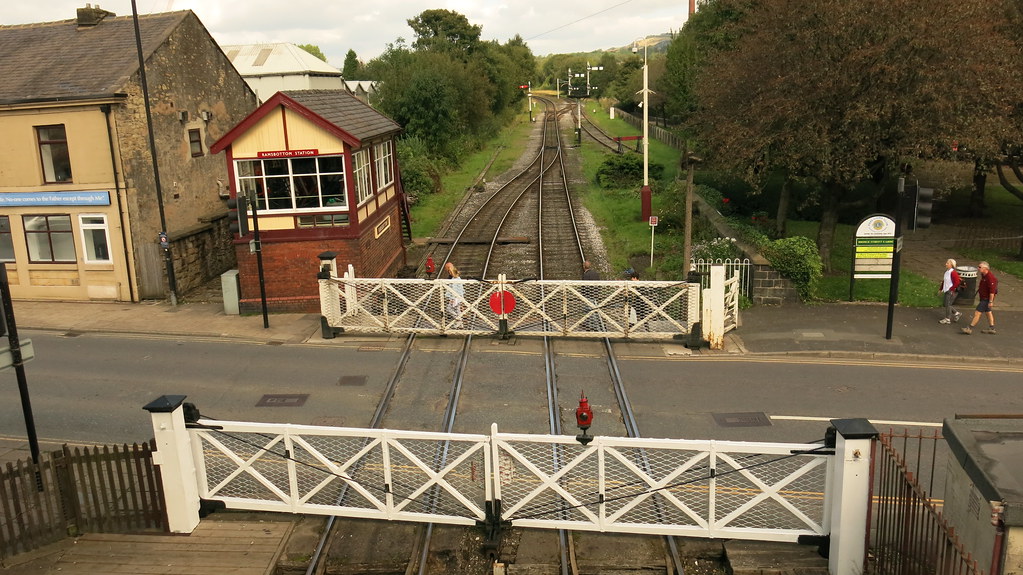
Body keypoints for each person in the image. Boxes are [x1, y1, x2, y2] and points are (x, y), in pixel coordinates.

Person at [962, 261, 998, 335]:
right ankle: (992, 328)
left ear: (985, 268)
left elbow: (992, 292)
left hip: (986, 299)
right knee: (988, 313)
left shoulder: (990, 278)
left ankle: (969, 328)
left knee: (977, 313)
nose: (978, 268)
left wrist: (990, 301)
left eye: (980, 267)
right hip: (984, 298)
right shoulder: (984, 275)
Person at [938, 258, 962, 324]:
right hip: (947, 290)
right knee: (946, 304)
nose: (946, 264)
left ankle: (947, 319)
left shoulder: (953, 273)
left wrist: (951, 289)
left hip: (950, 291)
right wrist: (941, 289)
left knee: (947, 304)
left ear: (951, 265)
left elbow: (956, 282)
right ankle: (957, 313)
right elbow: (944, 281)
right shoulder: (946, 272)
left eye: (947, 263)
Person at [445, 262, 465, 328]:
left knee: (449, 309)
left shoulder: (454, 280)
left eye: (449, 272)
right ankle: (460, 324)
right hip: (459, 297)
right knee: (458, 309)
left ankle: (458, 319)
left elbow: (454, 290)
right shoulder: (458, 278)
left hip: (456, 298)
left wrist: (452, 298)